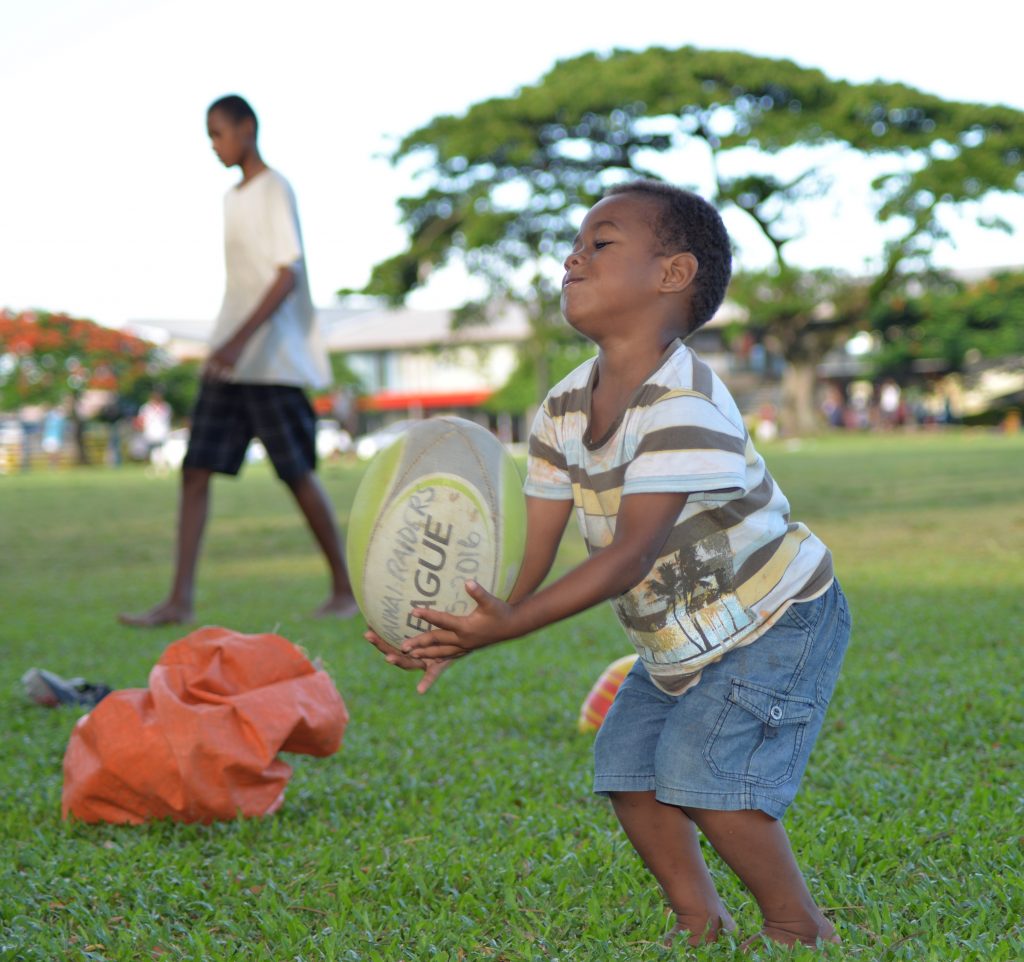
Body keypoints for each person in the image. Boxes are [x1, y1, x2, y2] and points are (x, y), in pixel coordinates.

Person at [367, 181, 852, 950]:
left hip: (774, 617)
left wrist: (505, 629)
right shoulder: (563, 406)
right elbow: (536, 551)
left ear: (672, 274)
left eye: (601, 243)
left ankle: (800, 926)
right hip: (676, 639)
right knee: (627, 769)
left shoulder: (681, 402)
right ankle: (700, 920)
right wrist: (461, 622)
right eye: (575, 244)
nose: (572, 258)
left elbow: (628, 556)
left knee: (709, 782)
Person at [120, 95, 357, 627]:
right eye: (209, 136)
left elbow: (285, 274)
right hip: (228, 359)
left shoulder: (275, 187)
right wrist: (224, 345)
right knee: (195, 469)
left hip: (272, 361)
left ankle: (344, 589)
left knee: (296, 472)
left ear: (247, 128)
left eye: (219, 132)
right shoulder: (231, 197)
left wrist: (237, 342)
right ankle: (178, 601)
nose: (214, 144)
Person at [136, 389, 172, 462]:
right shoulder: (146, 407)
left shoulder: (166, 407)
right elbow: (141, 420)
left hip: (162, 432)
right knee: (148, 451)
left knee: (160, 451)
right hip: (149, 433)